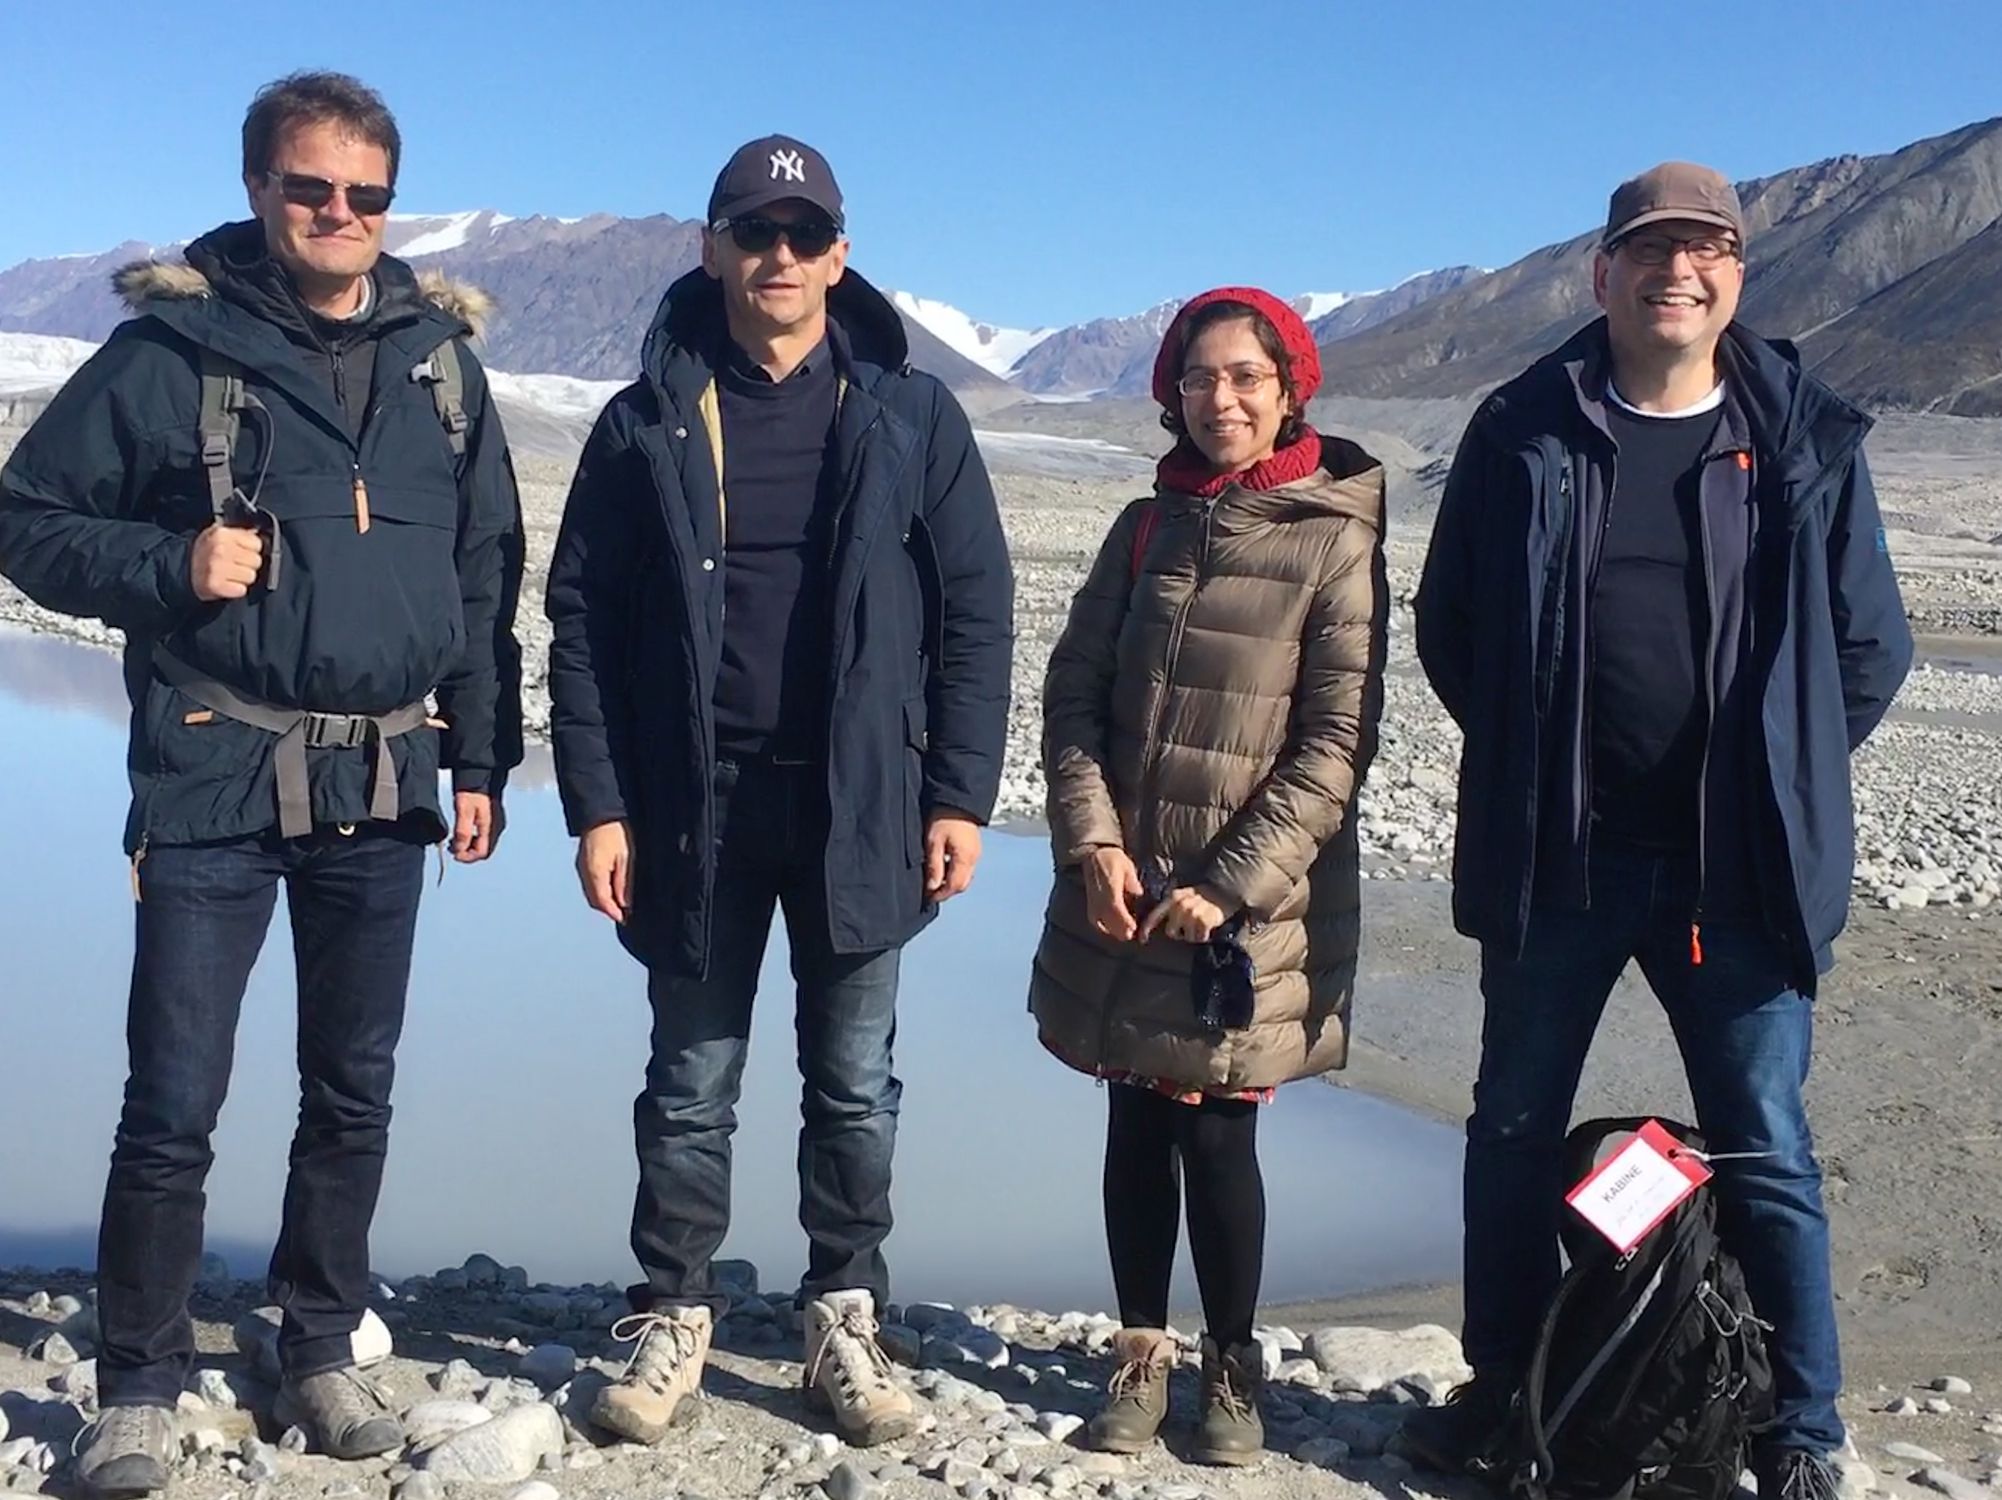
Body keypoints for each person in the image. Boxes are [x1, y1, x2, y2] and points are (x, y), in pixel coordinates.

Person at [0, 71, 524, 1494]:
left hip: (384, 778)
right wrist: (168, 566)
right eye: (311, 188)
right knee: (174, 1093)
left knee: (352, 1087)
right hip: (214, 771)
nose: (338, 214)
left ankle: (313, 1345)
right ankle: (139, 1381)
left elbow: (483, 581)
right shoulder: (171, 354)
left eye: (364, 194)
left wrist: (481, 754)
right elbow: (26, 520)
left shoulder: (441, 366)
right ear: (258, 189)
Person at [1401, 163, 1912, 1500]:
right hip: (1560, 858)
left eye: (1703, 249)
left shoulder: (1798, 431)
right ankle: (1503, 1388)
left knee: (1762, 1137)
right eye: (1647, 250)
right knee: (1511, 1125)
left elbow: (1868, 645)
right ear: (1602, 274)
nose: (1673, 270)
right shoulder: (1525, 427)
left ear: (1736, 273)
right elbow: (1451, 625)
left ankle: (1798, 1427)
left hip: (1731, 872)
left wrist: (1777, 774)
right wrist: (1534, 760)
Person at [544, 134, 1013, 1448]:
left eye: (805, 234)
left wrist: (959, 795)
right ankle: (673, 1309)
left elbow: (974, 612)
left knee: (853, 1079)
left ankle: (843, 1311)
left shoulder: (910, 413)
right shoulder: (645, 413)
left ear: (840, 256)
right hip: (693, 803)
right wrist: (596, 803)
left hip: (861, 801)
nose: (780, 256)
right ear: (712, 249)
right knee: (690, 1076)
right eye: (755, 231)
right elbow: (575, 614)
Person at [1030, 287, 1389, 1466]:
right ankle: (1141, 1350)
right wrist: (1091, 843)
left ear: (1290, 387)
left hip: (1249, 905)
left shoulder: (1335, 538)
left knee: (1222, 1133)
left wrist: (1230, 883)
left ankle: (1231, 1364)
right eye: (1197, 377)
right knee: (1135, 1118)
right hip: (1125, 884)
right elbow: (1073, 696)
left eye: (1244, 375)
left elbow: (1334, 742)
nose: (1219, 398)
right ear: (1169, 392)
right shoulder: (1144, 527)